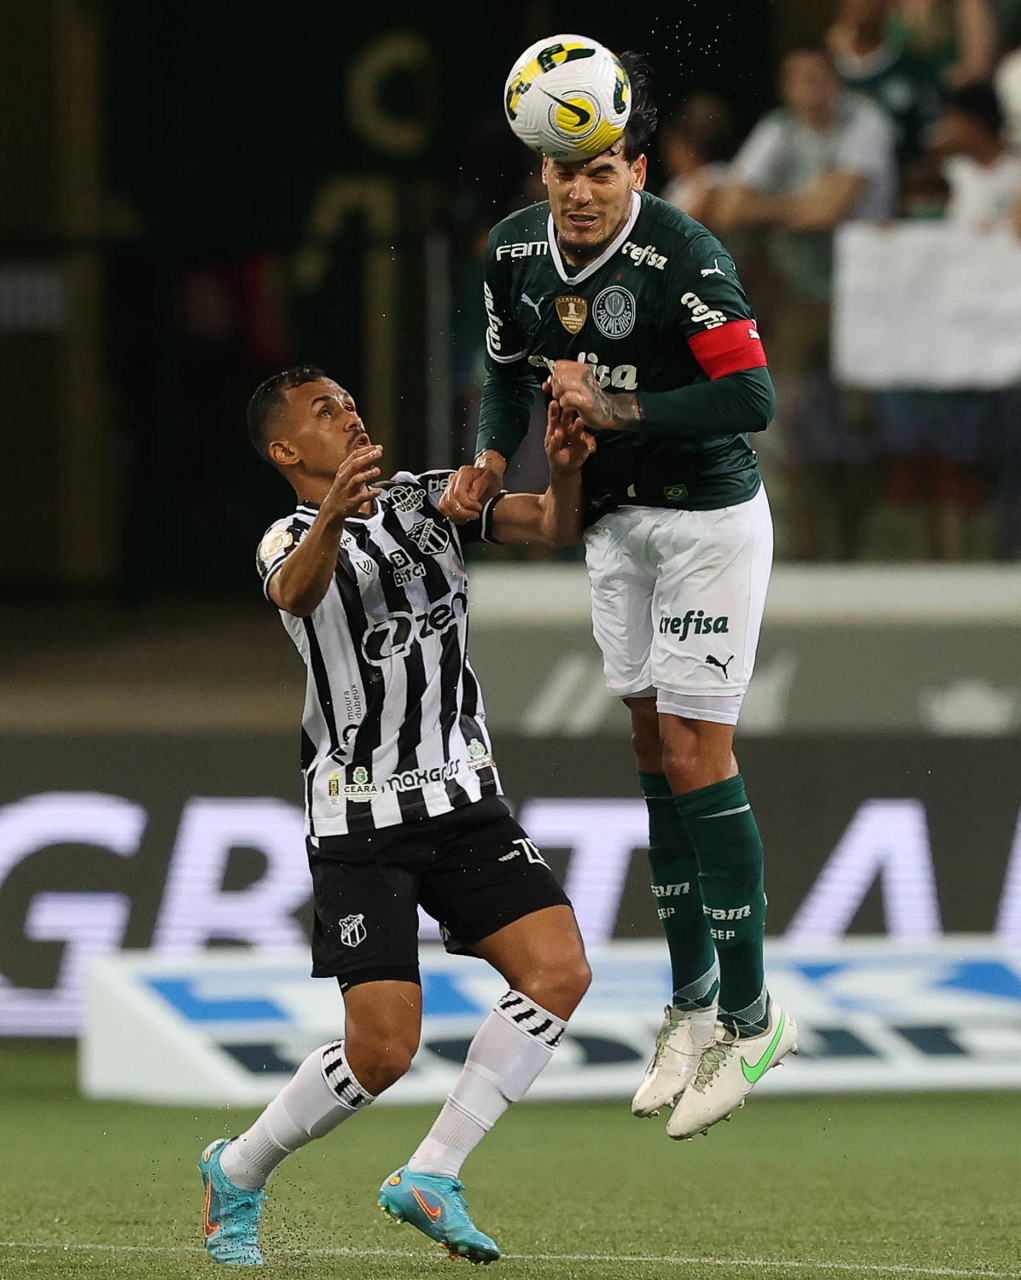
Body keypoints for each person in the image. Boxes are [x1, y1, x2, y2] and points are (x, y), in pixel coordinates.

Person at [444, 50, 797, 1145]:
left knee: (695, 750)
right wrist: (490, 461)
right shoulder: (512, 252)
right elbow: (508, 369)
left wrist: (616, 409)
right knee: (651, 747)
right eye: (564, 173)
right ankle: (689, 1004)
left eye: (601, 171)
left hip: (703, 523)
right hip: (609, 524)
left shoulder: (682, 253)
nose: (581, 191)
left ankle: (753, 1018)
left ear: (636, 167)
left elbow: (751, 395)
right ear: (542, 174)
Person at [198, 366, 594, 1267]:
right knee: (381, 1053)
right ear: (286, 450)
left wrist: (566, 471)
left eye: (348, 400)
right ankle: (239, 1168)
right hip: (361, 820)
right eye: (324, 410)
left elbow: (553, 525)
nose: (350, 414)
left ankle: (432, 1172)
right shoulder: (286, 538)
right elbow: (296, 594)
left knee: (559, 971)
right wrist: (334, 515)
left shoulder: (425, 501)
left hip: (463, 798)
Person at [716, 46, 898, 560]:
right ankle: (803, 542)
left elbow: (832, 209)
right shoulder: (780, 129)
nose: (807, 89)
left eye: (816, 77)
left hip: (864, 297)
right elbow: (732, 205)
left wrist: (775, 208)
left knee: (862, 420)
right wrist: (803, 203)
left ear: (836, 82)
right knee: (789, 416)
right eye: (796, 79)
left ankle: (865, 545)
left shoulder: (865, 123)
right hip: (799, 293)